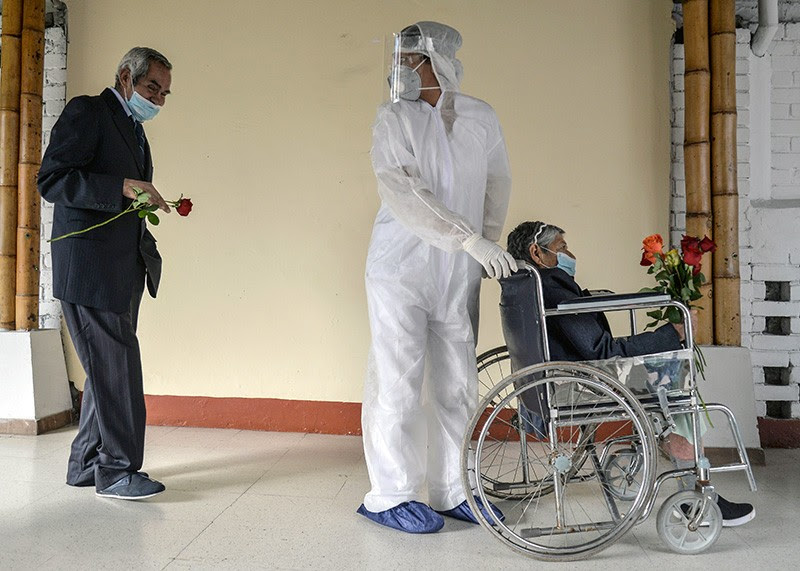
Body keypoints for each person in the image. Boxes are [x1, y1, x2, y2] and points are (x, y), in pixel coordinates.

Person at [359, 22, 516, 534]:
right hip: (399, 269)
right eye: (397, 55)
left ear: (437, 60)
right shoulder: (392, 118)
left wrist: (482, 247)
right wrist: (470, 239)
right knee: (397, 382)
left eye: (409, 56)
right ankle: (390, 495)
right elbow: (402, 190)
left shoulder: (479, 117)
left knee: (458, 386)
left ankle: (454, 490)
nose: (399, 65)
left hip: (457, 271)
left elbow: (497, 185)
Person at [506, 220, 756, 527]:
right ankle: (698, 496)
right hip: (584, 381)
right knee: (676, 378)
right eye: (561, 247)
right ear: (537, 253)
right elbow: (604, 351)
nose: (569, 253)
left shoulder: (529, 283)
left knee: (668, 371)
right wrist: (671, 334)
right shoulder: (554, 290)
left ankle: (684, 471)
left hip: (562, 375)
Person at [38, 47, 173, 500]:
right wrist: (119, 186)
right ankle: (116, 472)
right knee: (116, 369)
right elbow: (53, 180)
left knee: (105, 369)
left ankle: (85, 464)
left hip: (122, 268)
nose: (157, 99)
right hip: (90, 267)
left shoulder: (135, 132)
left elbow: (125, 201)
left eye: (165, 93)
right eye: (152, 87)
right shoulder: (88, 111)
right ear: (125, 76)